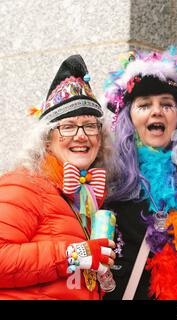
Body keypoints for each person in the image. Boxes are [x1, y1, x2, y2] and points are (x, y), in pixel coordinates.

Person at [0, 55, 116, 299]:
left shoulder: (83, 198)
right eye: (68, 126)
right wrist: (76, 255)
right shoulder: (23, 183)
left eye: (90, 125)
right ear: (47, 138)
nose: (81, 135)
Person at [102, 48, 177, 299]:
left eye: (166, 104)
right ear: (129, 118)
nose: (157, 111)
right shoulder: (108, 179)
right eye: (144, 105)